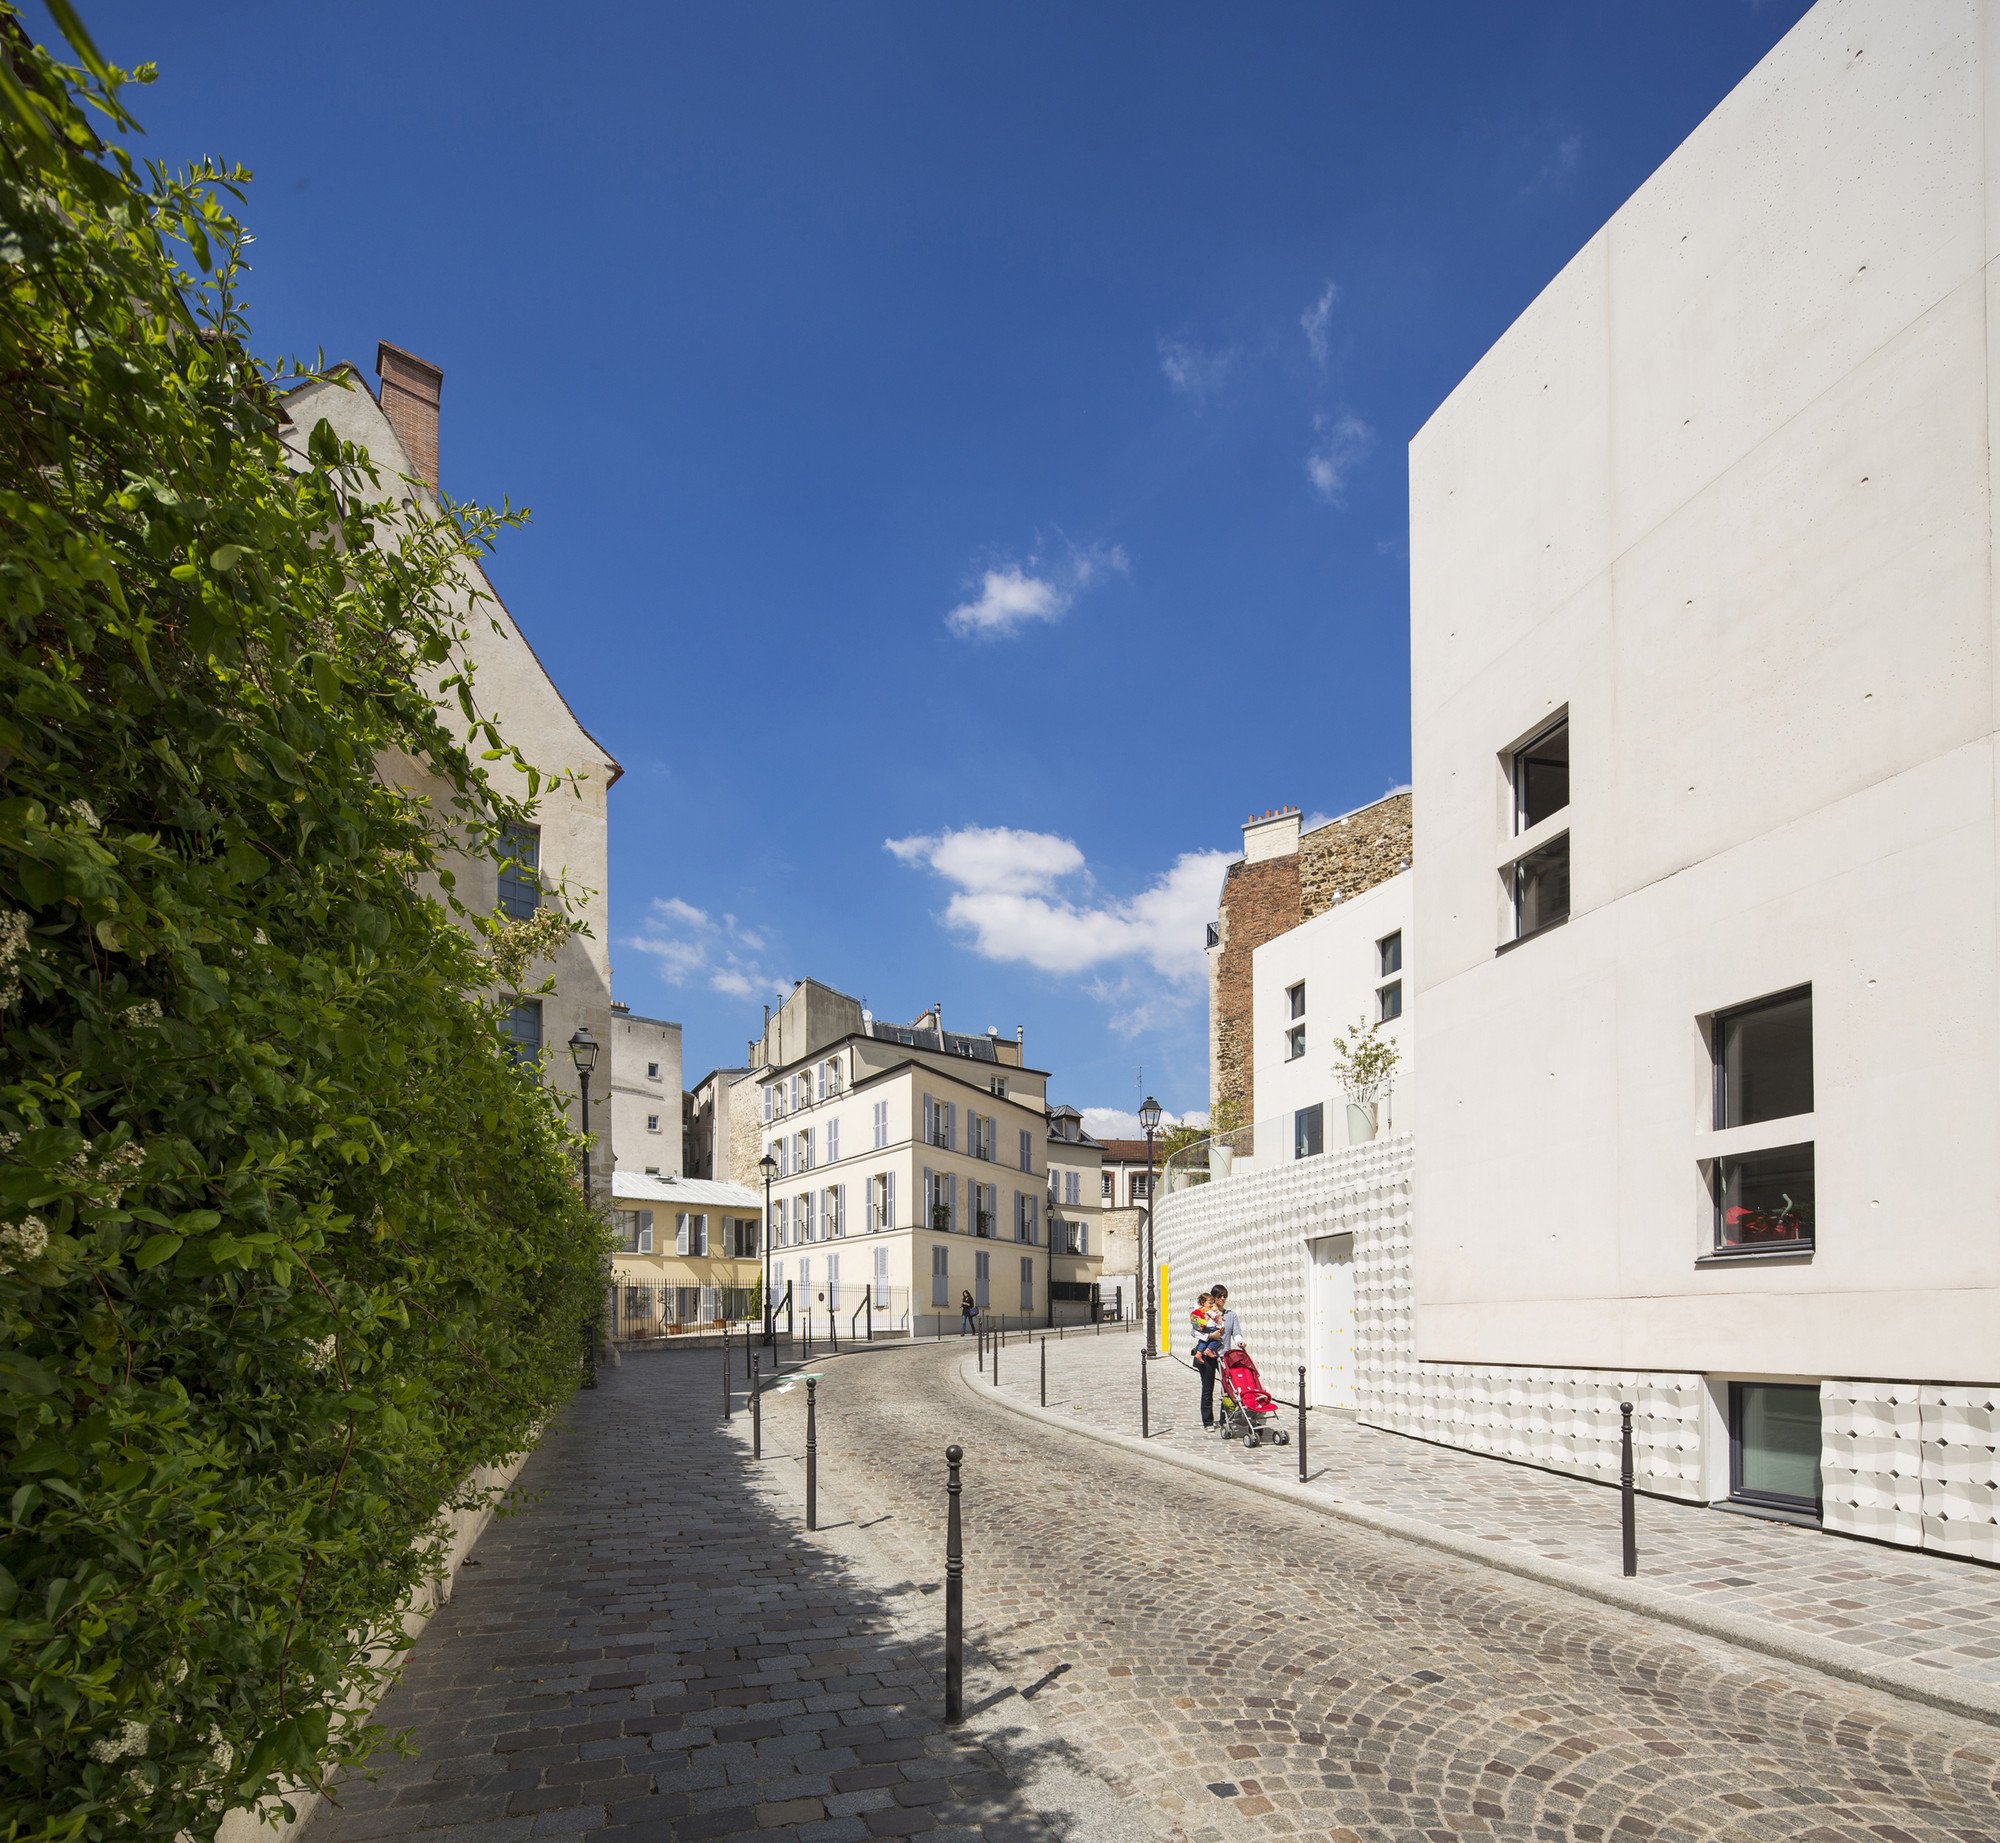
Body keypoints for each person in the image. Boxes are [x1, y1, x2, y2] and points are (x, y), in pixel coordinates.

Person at [1190, 1291, 1223, 1428]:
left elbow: (1235, 1332)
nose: (1222, 1299)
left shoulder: (1229, 1314)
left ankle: (1225, 1420)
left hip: (1222, 1354)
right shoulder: (1201, 1312)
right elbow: (1194, 1331)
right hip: (1206, 1357)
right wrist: (1210, 1336)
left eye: (1224, 1296)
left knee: (1228, 1388)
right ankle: (1208, 1422)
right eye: (1218, 1297)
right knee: (1208, 1389)